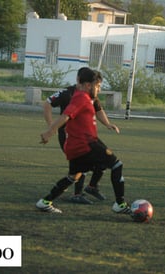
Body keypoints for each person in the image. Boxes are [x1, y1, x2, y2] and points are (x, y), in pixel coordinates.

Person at [36, 67, 131, 214]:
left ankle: (45, 201)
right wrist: (50, 131)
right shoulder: (81, 98)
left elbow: (92, 112)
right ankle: (120, 203)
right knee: (117, 165)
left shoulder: (86, 98)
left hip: (76, 146)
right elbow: (66, 115)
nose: (99, 89)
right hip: (86, 144)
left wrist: (107, 124)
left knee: (74, 176)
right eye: (98, 86)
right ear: (88, 85)